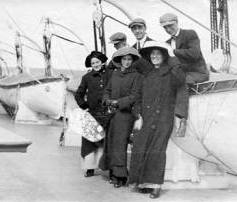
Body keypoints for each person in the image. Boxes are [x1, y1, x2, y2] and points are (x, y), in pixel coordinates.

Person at [129, 41, 185, 199]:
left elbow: (181, 81)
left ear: (164, 56)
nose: (155, 57)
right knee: (141, 148)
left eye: (158, 54)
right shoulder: (146, 74)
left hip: (163, 118)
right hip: (145, 118)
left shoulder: (171, 72)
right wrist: (138, 116)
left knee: (157, 151)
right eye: (152, 54)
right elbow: (138, 97)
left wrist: (173, 59)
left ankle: (156, 186)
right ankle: (144, 183)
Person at [99, 46, 143, 188]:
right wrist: (107, 100)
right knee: (110, 142)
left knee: (119, 144)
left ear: (133, 60)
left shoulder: (137, 76)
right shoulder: (115, 74)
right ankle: (113, 173)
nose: (127, 62)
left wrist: (118, 102)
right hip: (112, 113)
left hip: (125, 114)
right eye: (124, 59)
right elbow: (107, 90)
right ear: (120, 60)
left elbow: (135, 96)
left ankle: (121, 176)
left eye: (129, 59)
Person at [160, 13, 210, 136]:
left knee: (181, 80)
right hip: (180, 74)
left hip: (198, 72)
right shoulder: (166, 43)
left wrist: (173, 52)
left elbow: (194, 54)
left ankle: (182, 120)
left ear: (177, 22)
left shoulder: (190, 34)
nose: (168, 29)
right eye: (165, 27)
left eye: (170, 26)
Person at [74, 51, 113, 177]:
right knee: (90, 141)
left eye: (97, 62)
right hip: (93, 114)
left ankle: (111, 168)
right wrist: (84, 105)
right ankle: (90, 168)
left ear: (102, 62)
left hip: (108, 113)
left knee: (107, 141)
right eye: (93, 63)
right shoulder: (87, 77)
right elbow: (78, 94)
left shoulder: (111, 74)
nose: (96, 65)